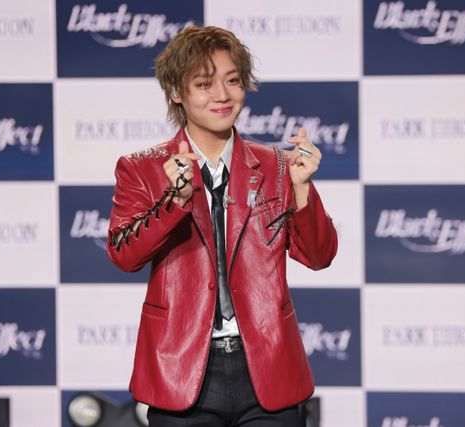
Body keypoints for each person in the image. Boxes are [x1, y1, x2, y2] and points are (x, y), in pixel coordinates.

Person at [107, 25, 338, 427]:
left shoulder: (278, 166)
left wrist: (302, 189)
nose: (222, 95)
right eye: (204, 84)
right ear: (176, 92)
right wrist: (175, 202)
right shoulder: (142, 168)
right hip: (180, 369)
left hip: (267, 367)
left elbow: (319, 256)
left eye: (232, 81)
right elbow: (124, 254)